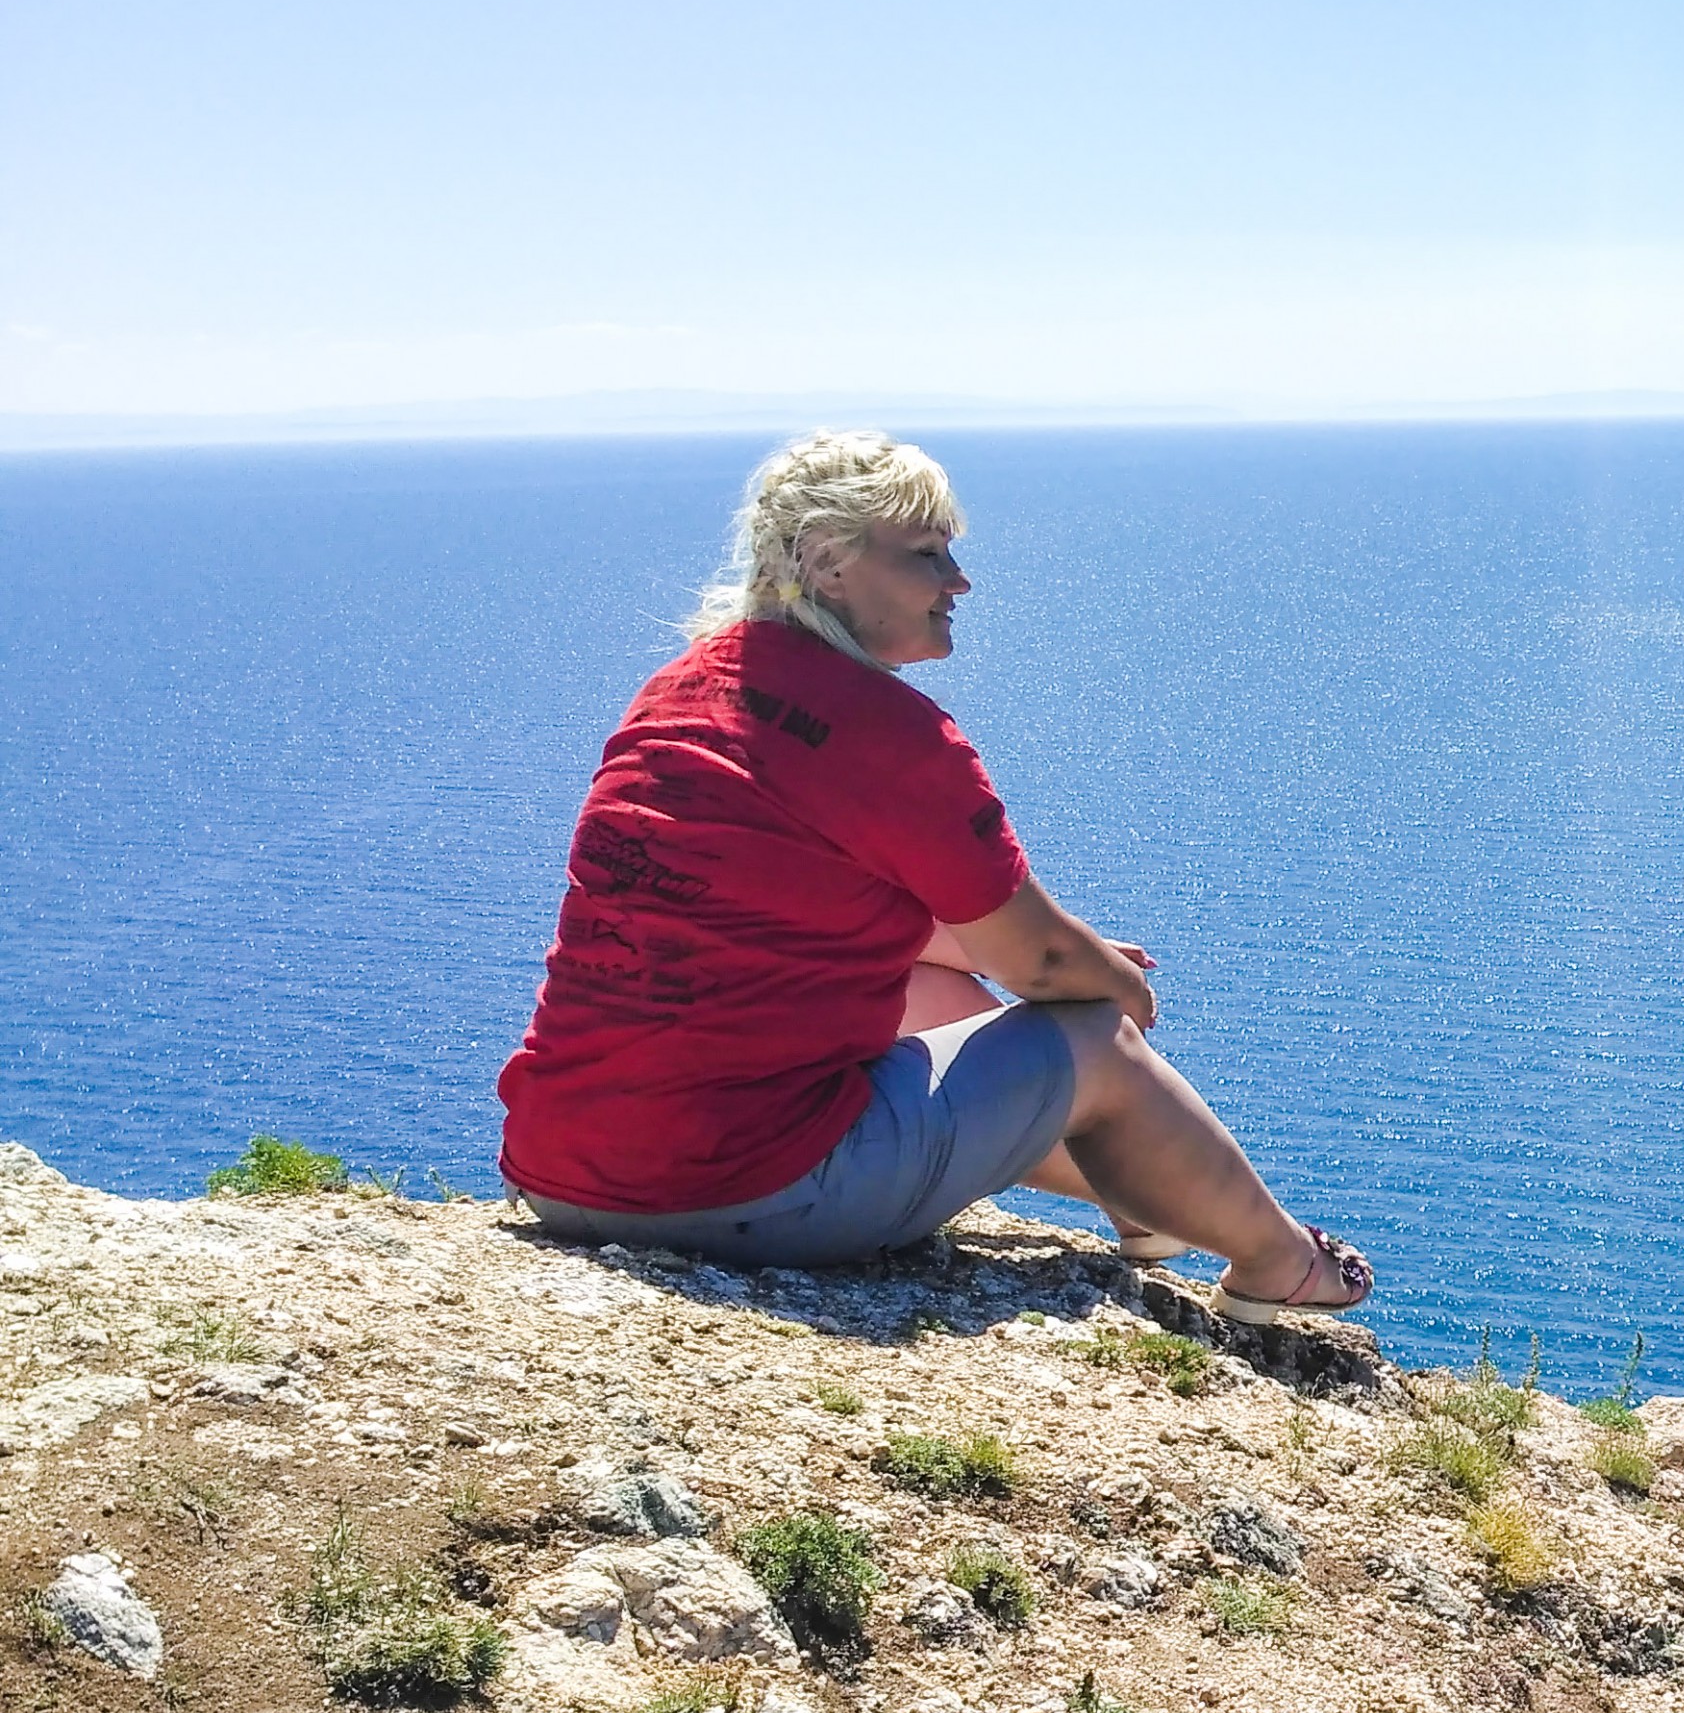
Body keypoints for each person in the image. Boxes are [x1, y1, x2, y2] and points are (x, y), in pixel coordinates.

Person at [494, 430, 1370, 1322]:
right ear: (829, 565)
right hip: (741, 1197)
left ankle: (1142, 1202)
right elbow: (1043, 969)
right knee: (1097, 1040)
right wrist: (1115, 987)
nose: (959, 581)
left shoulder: (681, 691)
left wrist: (1062, 957)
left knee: (921, 967)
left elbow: (796, 909)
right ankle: (1281, 1266)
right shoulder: (893, 737)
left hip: (559, 1168)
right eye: (926, 555)